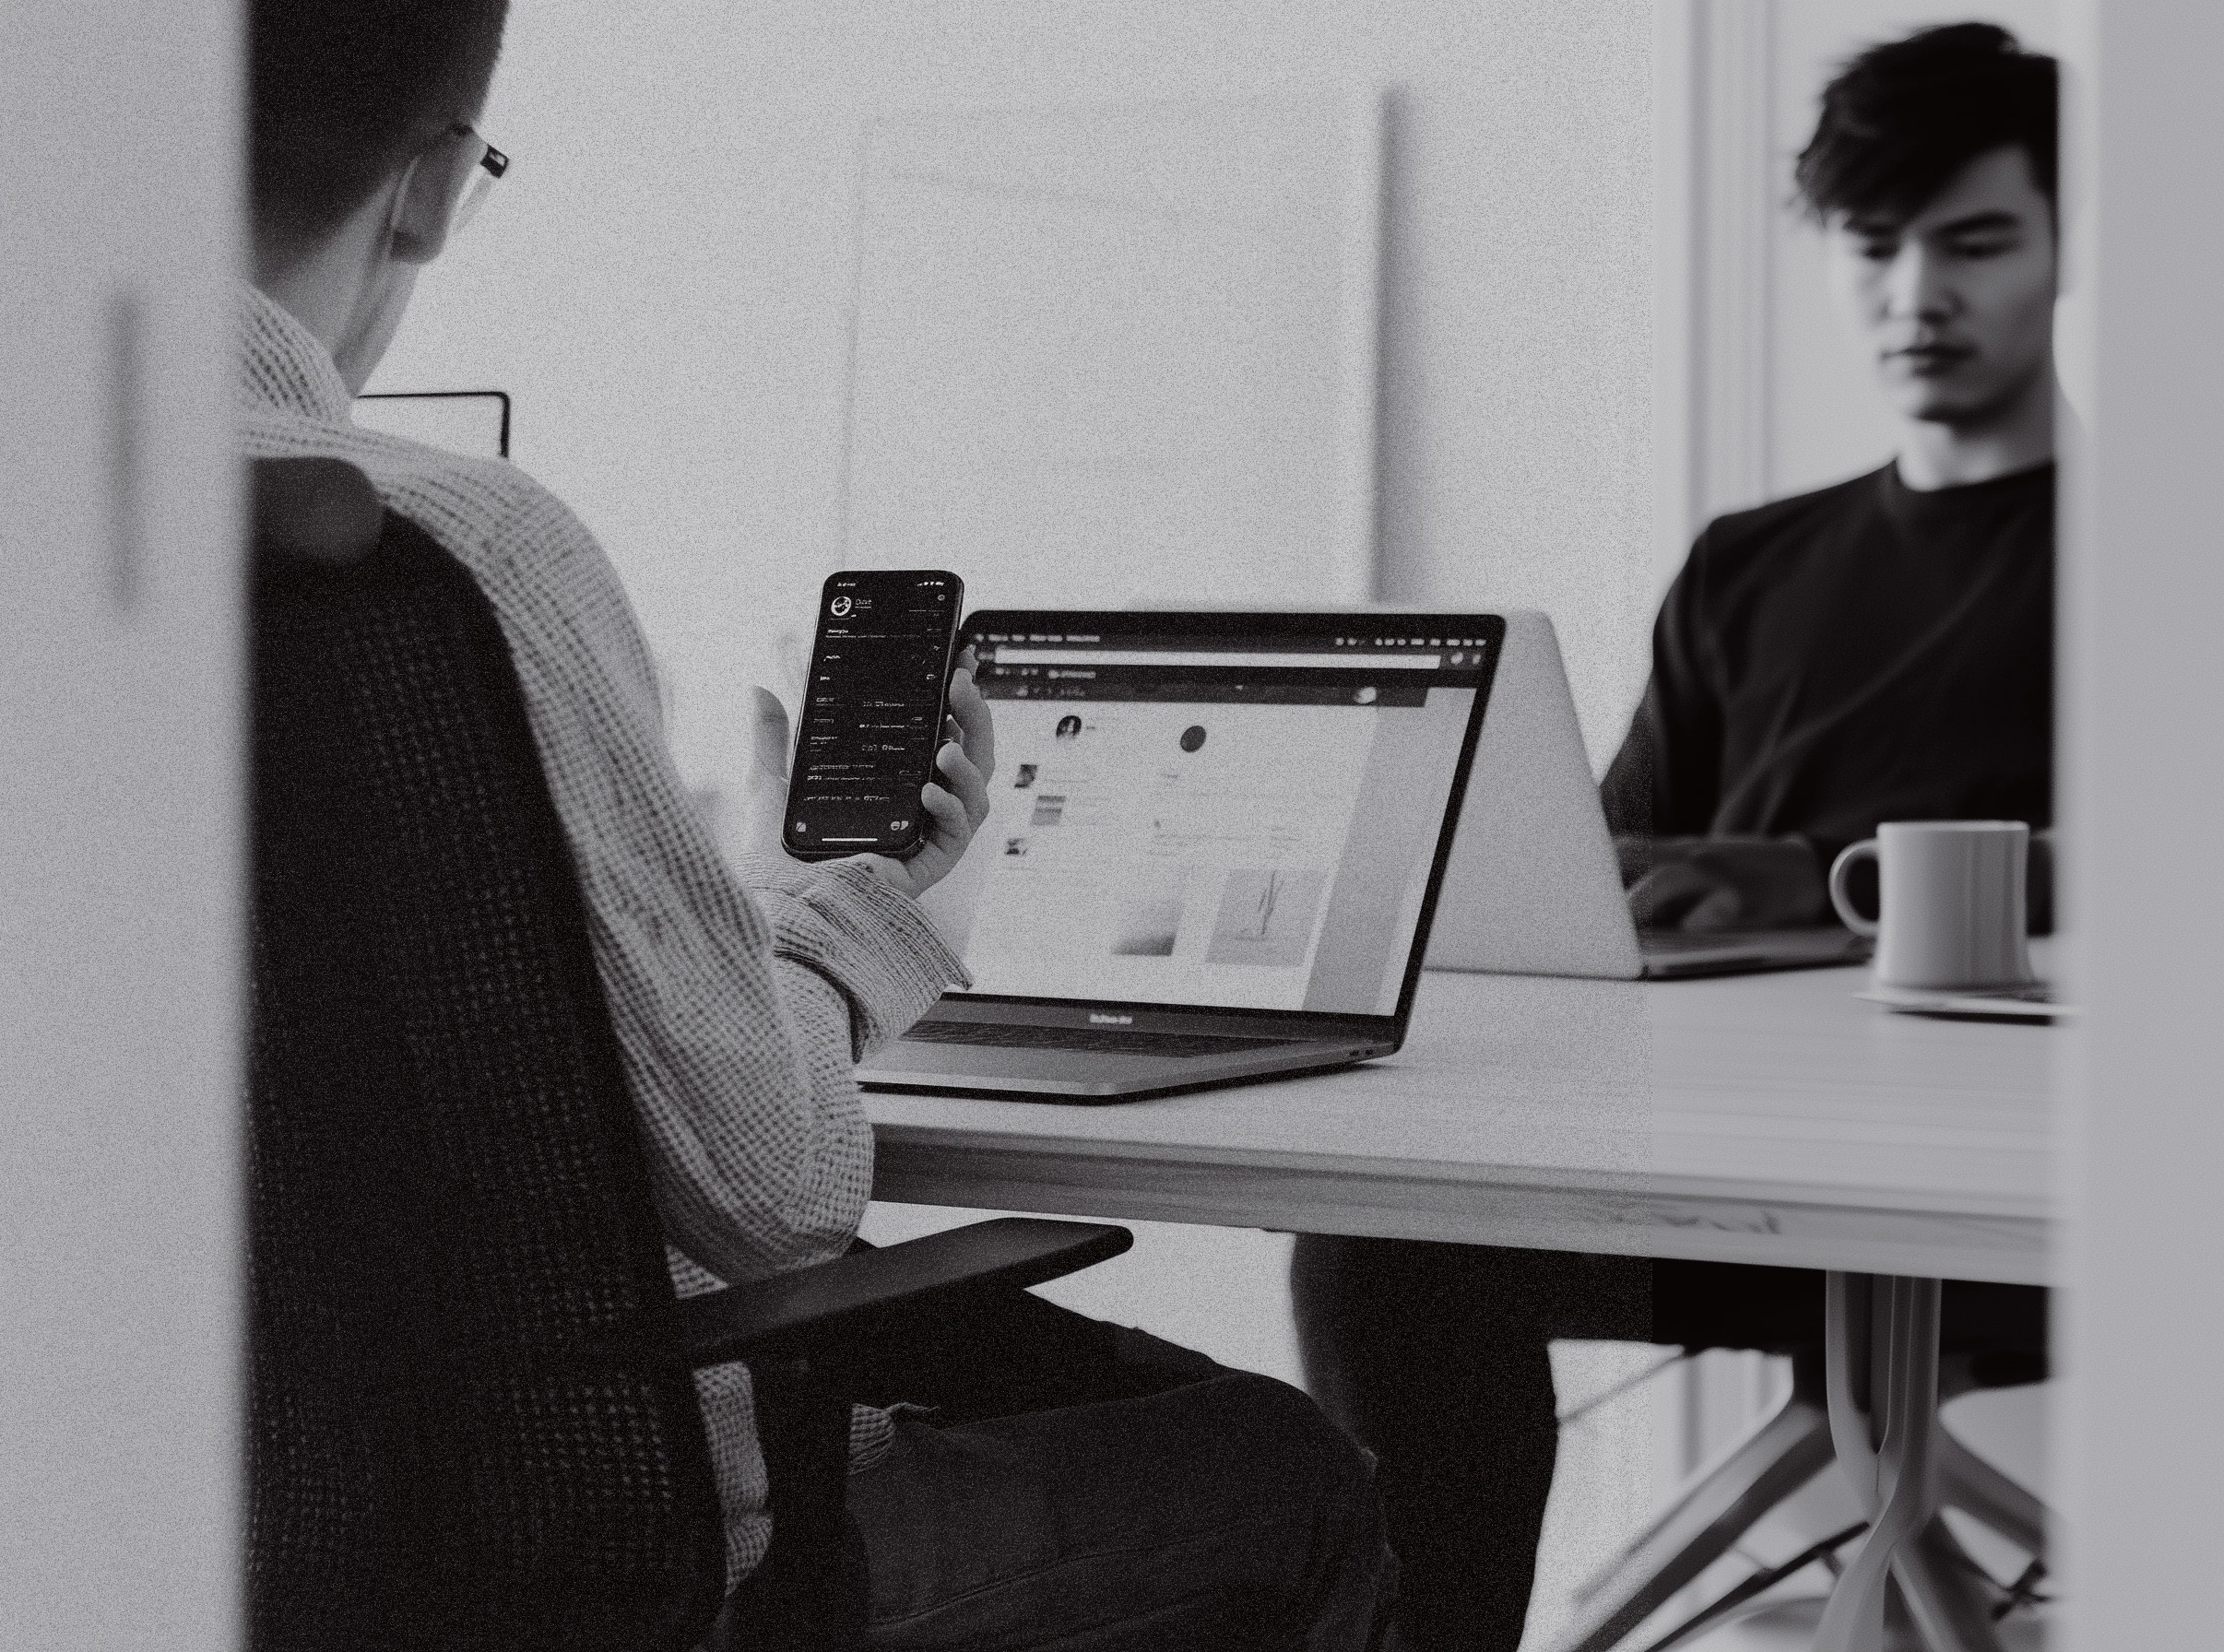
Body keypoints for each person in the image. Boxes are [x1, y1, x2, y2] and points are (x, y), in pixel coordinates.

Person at [243, 5, 1393, 1647]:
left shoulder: (74, 516)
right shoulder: (447, 554)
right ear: (428, 189)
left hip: (187, 1530)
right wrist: (846, 913)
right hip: (556, 1544)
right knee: (1281, 1474)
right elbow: (773, 1190)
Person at [1291, 24, 2058, 1650]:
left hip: (2024, 1209)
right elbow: (1613, 873)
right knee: (1386, 1246)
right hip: (1740, 1199)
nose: (1920, 293)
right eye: (1876, 245)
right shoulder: (1752, 564)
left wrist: (1837, 893)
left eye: (1977, 243)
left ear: (2063, 247)